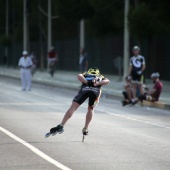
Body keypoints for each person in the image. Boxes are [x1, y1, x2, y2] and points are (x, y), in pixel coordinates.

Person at [46, 67, 110, 138]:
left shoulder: (86, 74)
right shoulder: (100, 76)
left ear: (89, 71)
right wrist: (98, 83)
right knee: (90, 109)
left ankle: (61, 125)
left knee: (73, 107)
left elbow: (79, 76)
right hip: (96, 91)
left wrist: (86, 82)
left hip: (85, 89)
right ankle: (86, 128)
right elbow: (107, 81)